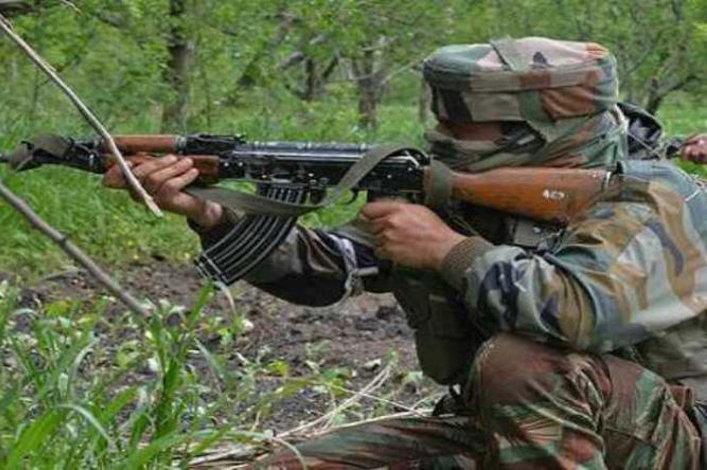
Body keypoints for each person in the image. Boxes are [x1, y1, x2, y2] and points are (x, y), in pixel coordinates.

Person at [104, 37, 707, 469]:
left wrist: (449, 250)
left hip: (671, 438)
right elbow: (329, 270)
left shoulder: (654, 197)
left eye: (463, 122)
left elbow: (582, 312)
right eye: (441, 116)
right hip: (505, 426)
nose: (443, 132)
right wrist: (211, 212)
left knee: (520, 361)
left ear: (535, 129)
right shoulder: (456, 188)